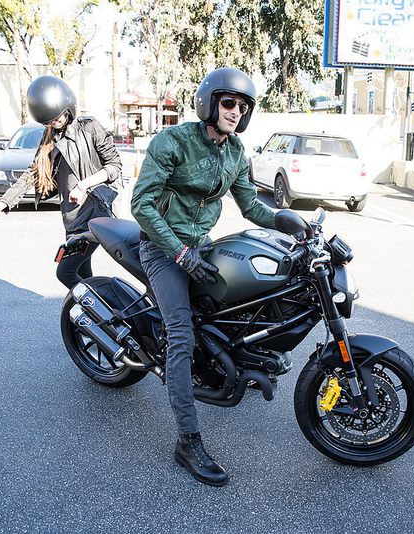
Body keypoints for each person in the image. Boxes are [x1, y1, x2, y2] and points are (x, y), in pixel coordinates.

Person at [131, 67, 276, 487]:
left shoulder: (235, 153)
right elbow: (142, 204)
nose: (235, 112)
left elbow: (253, 208)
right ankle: (187, 441)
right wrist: (178, 252)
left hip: (199, 244)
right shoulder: (172, 141)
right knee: (181, 333)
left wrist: (293, 223)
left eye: (243, 106)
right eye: (229, 103)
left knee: (234, 301)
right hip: (160, 247)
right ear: (209, 103)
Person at [0, 75, 122, 289]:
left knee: (66, 272)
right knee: (82, 273)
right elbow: (34, 173)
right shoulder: (49, 137)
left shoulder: (89, 128)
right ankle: (92, 318)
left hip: (96, 215)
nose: (56, 122)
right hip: (72, 219)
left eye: (58, 116)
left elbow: (114, 166)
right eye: (50, 120)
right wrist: (5, 201)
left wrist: (83, 185)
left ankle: (105, 311)